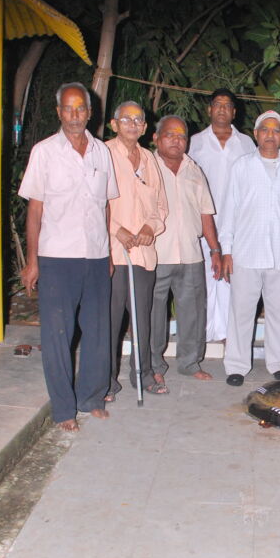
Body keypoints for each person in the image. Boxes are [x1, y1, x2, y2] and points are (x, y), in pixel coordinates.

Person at [19, 82, 118, 431]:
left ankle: (91, 397)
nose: (75, 115)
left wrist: (108, 251)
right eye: (68, 108)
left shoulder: (101, 152)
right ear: (59, 112)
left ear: (90, 113)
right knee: (57, 336)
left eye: (81, 108)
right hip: (57, 257)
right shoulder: (45, 152)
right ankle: (63, 409)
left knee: (98, 332)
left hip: (95, 256)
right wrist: (32, 261)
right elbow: (35, 210)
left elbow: (105, 206)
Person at [218, 110, 280, 386]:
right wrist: (226, 250)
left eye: (276, 130)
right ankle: (236, 366)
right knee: (241, 312)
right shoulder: (242, 166)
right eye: (265, 130)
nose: (270, 135)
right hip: (246, 252)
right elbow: (229, 210)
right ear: (256, 134)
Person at [150, 115, 221, 387]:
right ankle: (154, 365)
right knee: (153, 314)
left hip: (191, 253)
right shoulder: (146, 168)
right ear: (156, 138)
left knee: (193, 313)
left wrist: (214, 250)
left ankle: (190, 363)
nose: (176, 141)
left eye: (181, 136)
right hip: (156, 254)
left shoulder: (194, 170)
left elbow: (206, 213)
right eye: (170, 135)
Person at [106, 101, 168, 398]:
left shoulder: (149, 159)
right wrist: (116, 230)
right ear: (114, 124)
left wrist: (149, 228)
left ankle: (142, 375)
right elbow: (93, 202)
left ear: (144, 127)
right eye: (126, 119)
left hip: (142, 254)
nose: (132, 124)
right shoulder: (103, 154)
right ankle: (105, 381)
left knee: (142, 319)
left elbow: (160, 206)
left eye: (138, 120)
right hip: (112, 253)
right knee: (110, 320)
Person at [188, 88, 256, 343]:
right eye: (217, 104)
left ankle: (228, 334)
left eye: (227, 106)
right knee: (205, 278)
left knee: (231, 278)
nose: (222, 109)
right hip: (203, 221)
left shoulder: (246, 143)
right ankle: (205, 334)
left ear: (234, 112)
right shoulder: (195, 142)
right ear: (209, 109)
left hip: (236, 224)